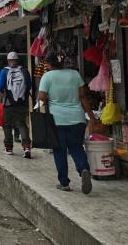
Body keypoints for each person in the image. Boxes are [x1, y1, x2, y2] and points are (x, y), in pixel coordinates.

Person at [38, 52, 94, 194]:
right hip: (77, 118)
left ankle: (64, 183)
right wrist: (91, 117)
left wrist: (42, 116)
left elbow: (42, 99)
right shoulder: (74, 74)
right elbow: (83, 97)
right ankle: (84, 169)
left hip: (56, 120)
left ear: (50, 64)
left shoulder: (47, 77)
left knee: (59, 150)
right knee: (76, 147)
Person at [0, 52, 33, 158]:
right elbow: (29, 85)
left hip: (8, 103)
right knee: (21, 124)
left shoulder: (4, 71)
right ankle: (27, 147)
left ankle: (9, 148)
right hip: (22, 103)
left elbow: (0, 86)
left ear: (8, 60)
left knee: (7, 125)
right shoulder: (24, 71)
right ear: (18, 60)